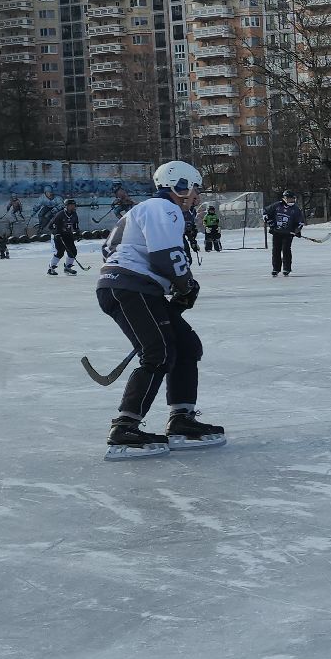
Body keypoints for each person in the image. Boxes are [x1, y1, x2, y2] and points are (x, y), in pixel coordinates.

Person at [96, 160, 221, 460]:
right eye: (194, 189)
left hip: (134, 287)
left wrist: (175, 286)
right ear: (180, 186)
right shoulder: (164, 208)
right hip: (131, 288)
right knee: (158, 352)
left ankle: (181, 418)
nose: (197, 196)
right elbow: (165, 255)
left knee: (186, 345)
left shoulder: (147, 210)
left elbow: (111, 250)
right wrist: (185, 285)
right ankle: (125, 426)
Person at [265, 189, 305, 277]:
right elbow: (266, 213)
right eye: (288, 198)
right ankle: (276, 268)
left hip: (288, 234)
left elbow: (300, 222)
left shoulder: (296, 209)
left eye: (292, 198)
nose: (290, 200)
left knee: (286, 250)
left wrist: (296, 231)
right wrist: (271, 224)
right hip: (277, 232)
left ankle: (287, 268)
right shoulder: (277, 205)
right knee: (276, 250)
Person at [48, 197, 82, 275]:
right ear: (66, 206)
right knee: (60, 252)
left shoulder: (74, 214)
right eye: (71, 205)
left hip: (68, 235)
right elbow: (51, 226)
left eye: (74, 205)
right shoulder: (60, 214)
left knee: (73, 251)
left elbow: (75, 225)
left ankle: (67, 268)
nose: (73, 207)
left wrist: (78, 233)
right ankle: (51, 268)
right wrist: (56, 233)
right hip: (58, 235)